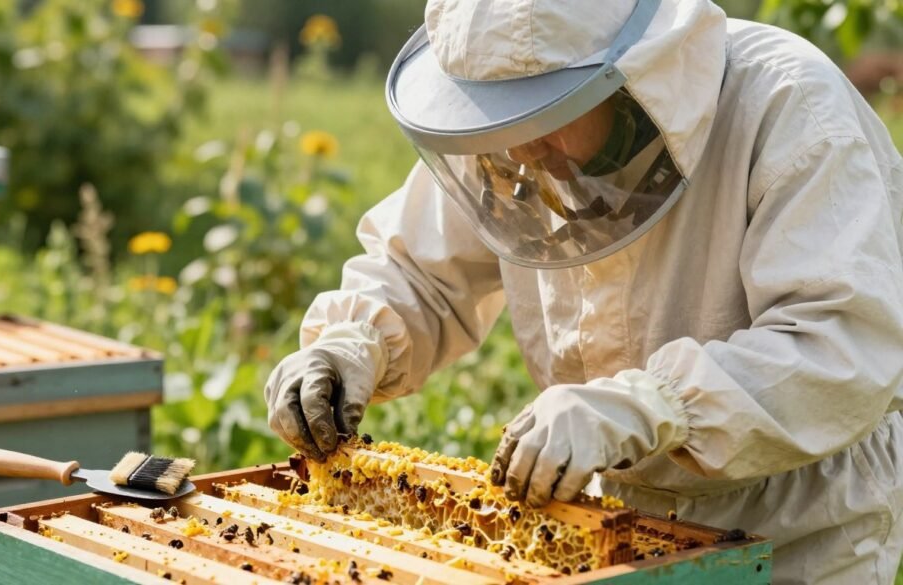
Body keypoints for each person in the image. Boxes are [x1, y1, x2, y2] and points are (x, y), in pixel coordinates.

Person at [263, 0, 903, 582]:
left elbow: (841, 343)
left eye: (550, 110)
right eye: (501, 117)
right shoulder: (516, 145)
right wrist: (353, 341)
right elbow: (422, 270)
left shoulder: (790, 106)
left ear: (631, 75)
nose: (525, 149)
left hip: (799, 524)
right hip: (616, 518)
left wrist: (649, 405)